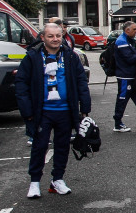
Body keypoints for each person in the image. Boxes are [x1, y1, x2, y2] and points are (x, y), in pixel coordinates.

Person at [16, 23, 91, 199]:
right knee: (39, 146)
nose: (55, 39)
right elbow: (21, 85)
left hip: (65, 110)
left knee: (63, 147)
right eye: (51, 36)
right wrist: (27, 111)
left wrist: (85, 108)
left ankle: (57, 179)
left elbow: (81, 81)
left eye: (58, 36)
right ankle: (34, 182)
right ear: (43, 37)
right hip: (42, 112)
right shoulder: (32, 57)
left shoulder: (70, 56)